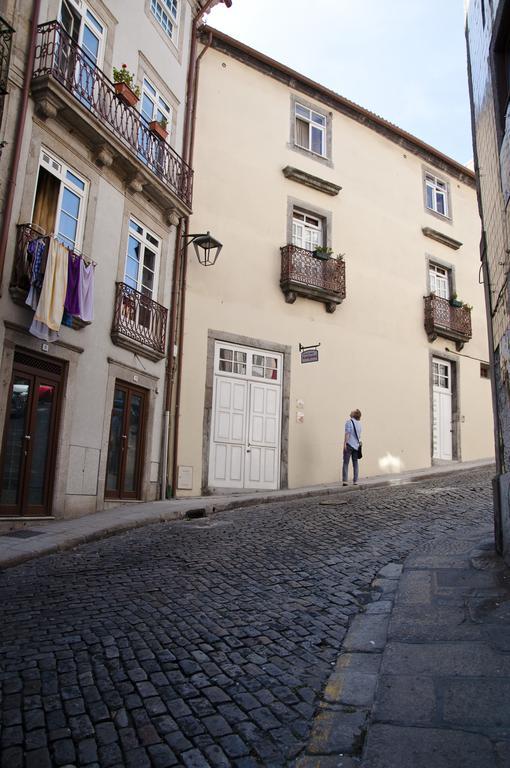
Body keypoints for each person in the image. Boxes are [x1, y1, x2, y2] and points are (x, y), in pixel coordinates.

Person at [342, 409, 362, 486]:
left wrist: (344, 444)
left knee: (346, 463)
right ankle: (355, 481)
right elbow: (359, 436)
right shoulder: (359, 424)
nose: (350, 411)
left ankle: (345, 481)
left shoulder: (349, 422)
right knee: (355, 463)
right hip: (356, 446)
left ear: (354, 414)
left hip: (349, 444)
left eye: (352, 411)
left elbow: (347, 434)